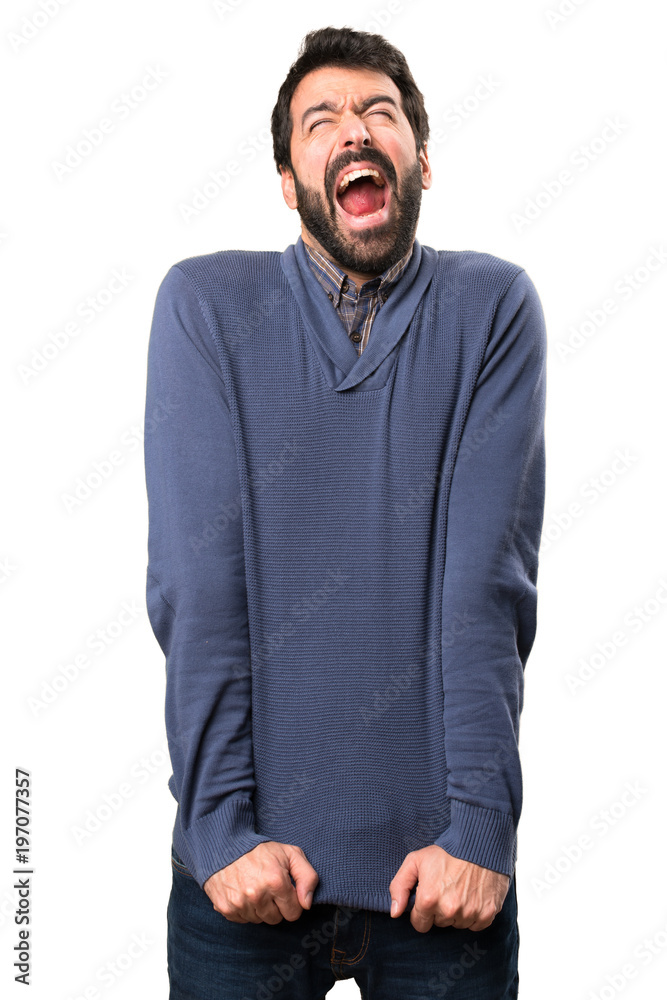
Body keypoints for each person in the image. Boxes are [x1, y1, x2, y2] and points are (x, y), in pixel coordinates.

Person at [143, 25, 547, 1000]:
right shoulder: (207, 304)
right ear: (290, 181)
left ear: (420, 161)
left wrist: (481, 831)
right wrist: (219, 829)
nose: (353, 129)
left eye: (380, 113)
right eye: (319, 121)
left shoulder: (492, 308)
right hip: (240, 884)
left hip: (442, 886)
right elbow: (199, 587)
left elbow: (485, 586)